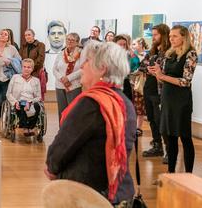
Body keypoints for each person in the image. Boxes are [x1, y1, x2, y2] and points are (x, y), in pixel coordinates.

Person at [45, 42, 135, 205]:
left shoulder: (92, 103)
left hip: (86, 194)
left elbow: (64, 144)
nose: (82, 66)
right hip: (118, 191)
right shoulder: (124, 101)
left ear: (101, 68)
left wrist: (52, 167)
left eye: (86, 61)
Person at [148, 25, 197, 174]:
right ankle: (171, 174)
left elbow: (185, 81)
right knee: (170, 138)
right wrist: (157, 74)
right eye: (170, 36)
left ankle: (188, 175)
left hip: (181, 102)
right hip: (168, 99)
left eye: (175, 36)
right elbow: (163, 80)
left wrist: (162, 76)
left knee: (185, 138)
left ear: (184, 37)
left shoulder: (191, 54)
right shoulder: (169, 53)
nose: (171, 39)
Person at [140, 24, 170, 158]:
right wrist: (150, 70)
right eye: (152, 35)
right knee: (151, 119)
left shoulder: (170, 52)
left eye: (156, 35)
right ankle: (157, 146)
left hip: (160, 91)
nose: (153, 38)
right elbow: (142, 66)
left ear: (163, 35)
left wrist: (158, 71)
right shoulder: (152, 51)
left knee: (161, 121)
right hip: (149, 89)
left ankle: (169, 150)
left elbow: (168, 71)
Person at [52, 33, 84, 121]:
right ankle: (62, 132)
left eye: (72, 40)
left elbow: (83, 69)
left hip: (74, 86)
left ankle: (73, 133)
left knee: (73, 112)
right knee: (62, 111)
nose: (69, 41)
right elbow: (54, 69)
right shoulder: (61, 53)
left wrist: (68, 78)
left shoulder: (82, 54)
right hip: (60, 86)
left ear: (77, 43)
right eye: (68, 39)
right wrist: (62, 78)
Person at [6, 58, 42, 135]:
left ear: (32, 69)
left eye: (28, 67)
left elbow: (39, 97)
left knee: (37, 106)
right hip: (19, 101)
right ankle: (25, 128)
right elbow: (8, 94)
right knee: (22, 105)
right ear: (21, 67)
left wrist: (30, 102)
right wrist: (15, 102)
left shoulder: (36, 80)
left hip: (31, 101)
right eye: (24, 67)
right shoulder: (15, 77)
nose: (26, 69)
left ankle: (31, 127)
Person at [130, 38, 148, 136]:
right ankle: (133, 127)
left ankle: (139, 127)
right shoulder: (133, 56)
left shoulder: (145, 55)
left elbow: (141, 70)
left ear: (141, 44)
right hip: (132, 83)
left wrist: (132, 73)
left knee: (139, 105)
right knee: (133, 105)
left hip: (140, 84)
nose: (132, 46)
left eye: (134, 44)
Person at [114, 35, 134, 101]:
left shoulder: (128, 55)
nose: (122, 46)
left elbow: (132, 67)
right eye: (120, 44)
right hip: (114, 83)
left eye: (124, 44)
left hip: (125, 82)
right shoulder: (110, 56)